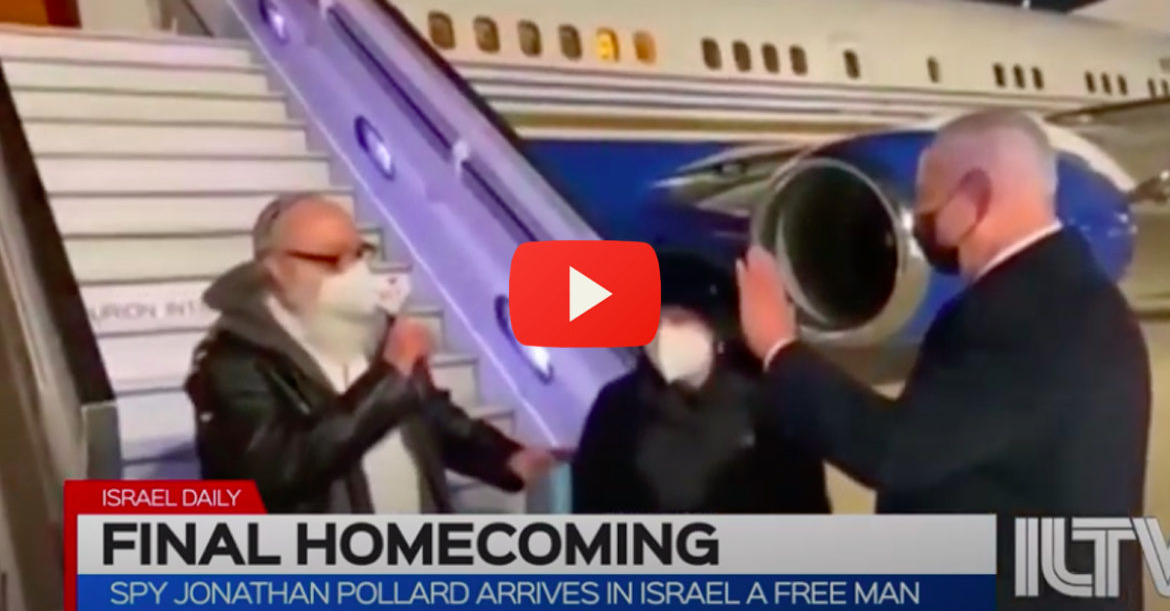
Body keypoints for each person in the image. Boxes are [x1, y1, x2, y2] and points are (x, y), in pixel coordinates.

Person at [736, 110, 1150, 609]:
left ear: (973, 197)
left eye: (927, 196)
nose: (919, 218)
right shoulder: (1073, 296)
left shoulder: (1025, 316)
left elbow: (895, 451)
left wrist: (778, 348)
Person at [185, 193, 556, 513]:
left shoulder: (377, 331)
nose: (354, 273)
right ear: (277, 269)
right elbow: (275, 473)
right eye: (332, 259)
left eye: (359, 254)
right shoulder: (234, 359)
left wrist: (506, 458)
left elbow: (429, 414)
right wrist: (391, 376)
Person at [572, 252, 830, 514]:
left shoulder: (772, 409)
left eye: (678, 320)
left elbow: (808, 512)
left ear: (717, 328)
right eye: (652, 323)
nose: (662, 335)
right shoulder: (617, 407)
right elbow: (590, 510)